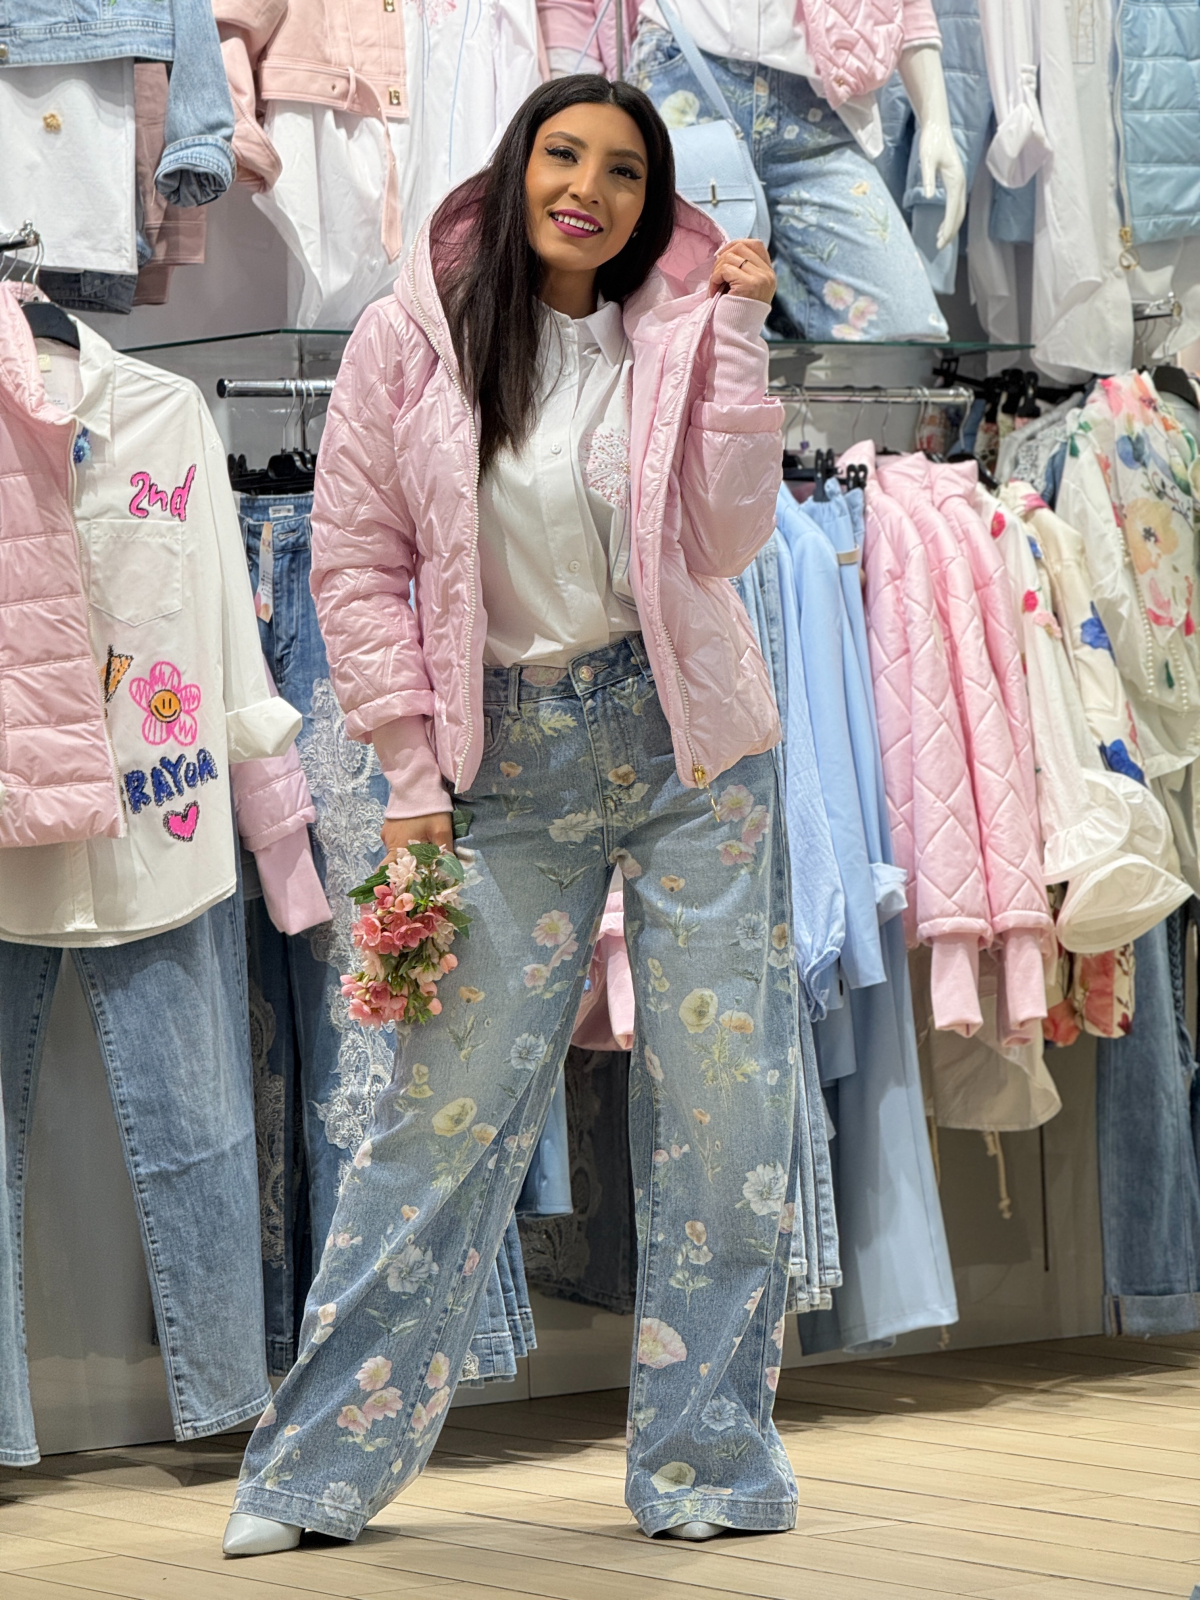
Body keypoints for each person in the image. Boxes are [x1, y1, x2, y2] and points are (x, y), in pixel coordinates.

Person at [224, 72, 803, 1556]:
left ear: (650, 204)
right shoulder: (410, 339)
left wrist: (740, 342)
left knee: (725, 1116)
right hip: (507, 758)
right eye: (564, 155)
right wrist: (410, 781)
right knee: (436, 1123)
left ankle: (710, 1467)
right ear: (516, 167)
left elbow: (730, 535)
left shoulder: (681, 331)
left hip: (691, 752)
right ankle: (312, 1475)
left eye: (624, 171)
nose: (587, 190)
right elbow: (355, 563)